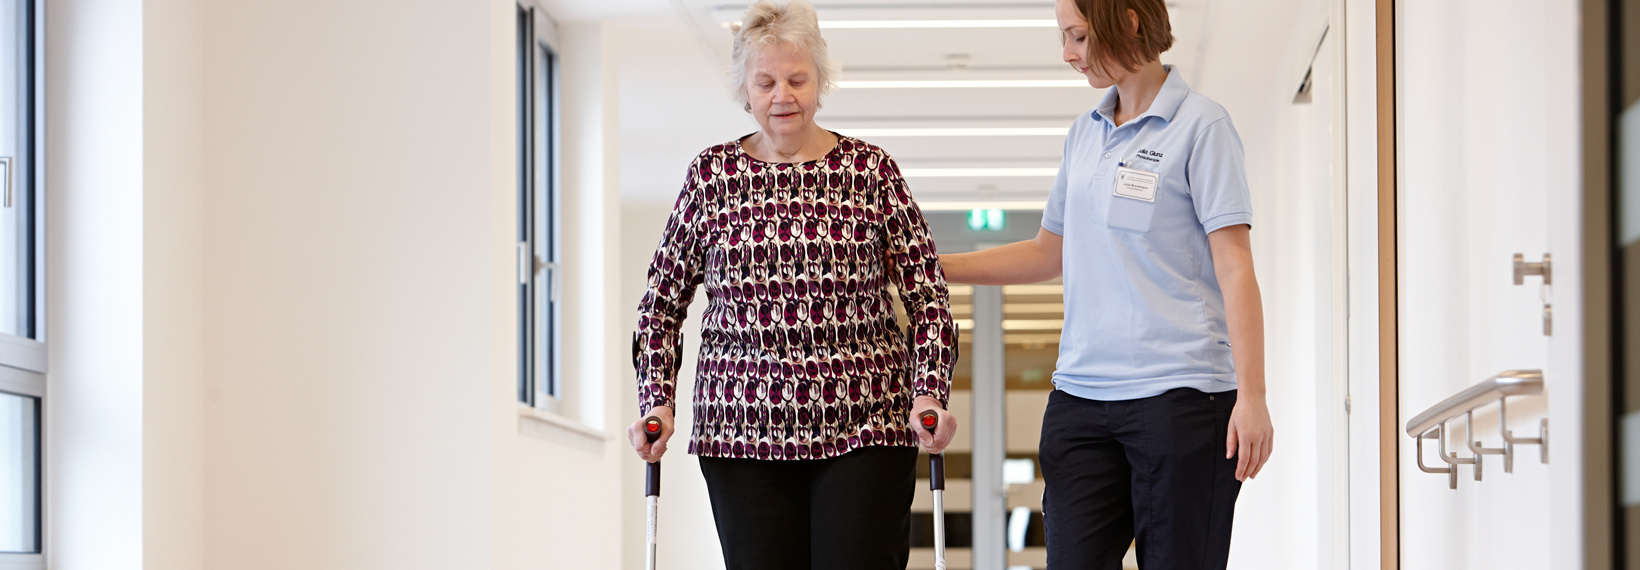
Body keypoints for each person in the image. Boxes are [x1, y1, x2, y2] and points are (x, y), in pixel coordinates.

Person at [938, 0, 1274, 568]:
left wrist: (1254, 395)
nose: (1068, 54)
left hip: (1182, 397)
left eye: (1078, 36)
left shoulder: (1201, 125)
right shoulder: (1083, 135)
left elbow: (1234, 264)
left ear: (1130, 20)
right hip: (1082, 401)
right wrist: (929, 265)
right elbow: (1049, 252)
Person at [624, 2, 958, 568]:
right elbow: (661, 303)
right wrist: (657, 398)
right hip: (741, 428)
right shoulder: (713, 177)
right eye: (767, 81)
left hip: (863, 421)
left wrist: (929, 390)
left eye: (798, 79)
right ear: (745, 91)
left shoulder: (869, 171)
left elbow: (928, 297)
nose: (784, 95)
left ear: (821, 81)